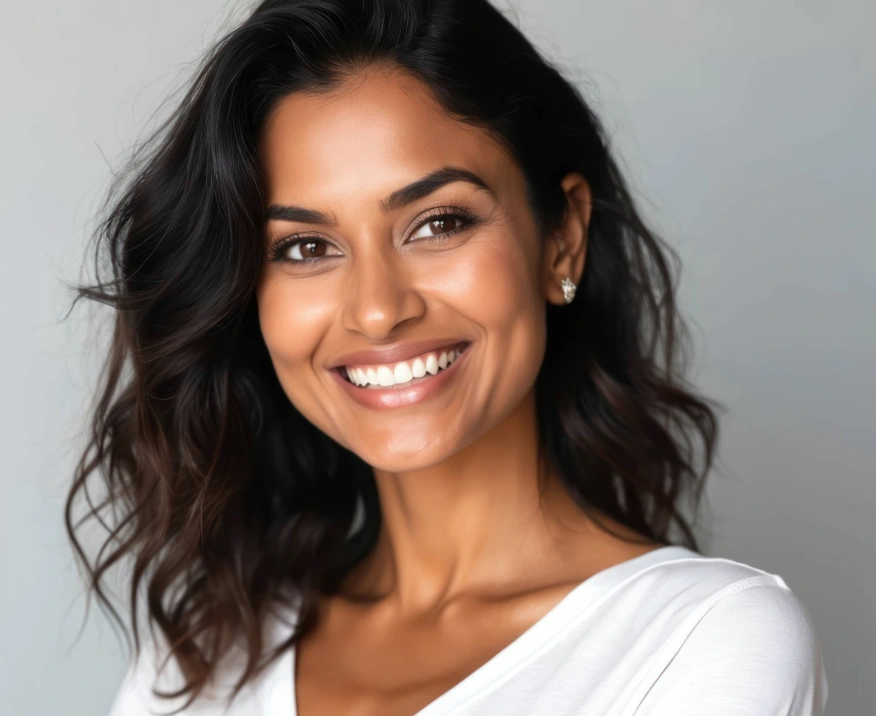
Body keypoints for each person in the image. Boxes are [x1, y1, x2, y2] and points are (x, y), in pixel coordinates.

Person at [65, 1, 828, 714]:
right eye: (306, 246)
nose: (376, 308)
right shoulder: (200, 658)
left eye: (437, 223)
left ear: (561, 237)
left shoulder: (706, 642)